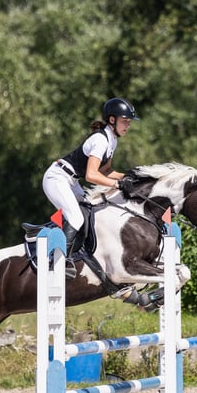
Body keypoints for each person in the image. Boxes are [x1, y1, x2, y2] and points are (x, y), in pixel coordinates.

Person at [42, 97, 139, 277]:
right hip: (57, 178)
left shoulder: (112, 140)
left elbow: (106, 170)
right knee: (76, 218)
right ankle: (58, 261)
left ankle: (75, 252)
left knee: (88, 213)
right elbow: (92, 175)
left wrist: (130, 177)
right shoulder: (100, 140)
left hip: (70, 181)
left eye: (129, 122)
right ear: (112, 120)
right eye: (125, 121)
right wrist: (118, 184)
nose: (128, 125)